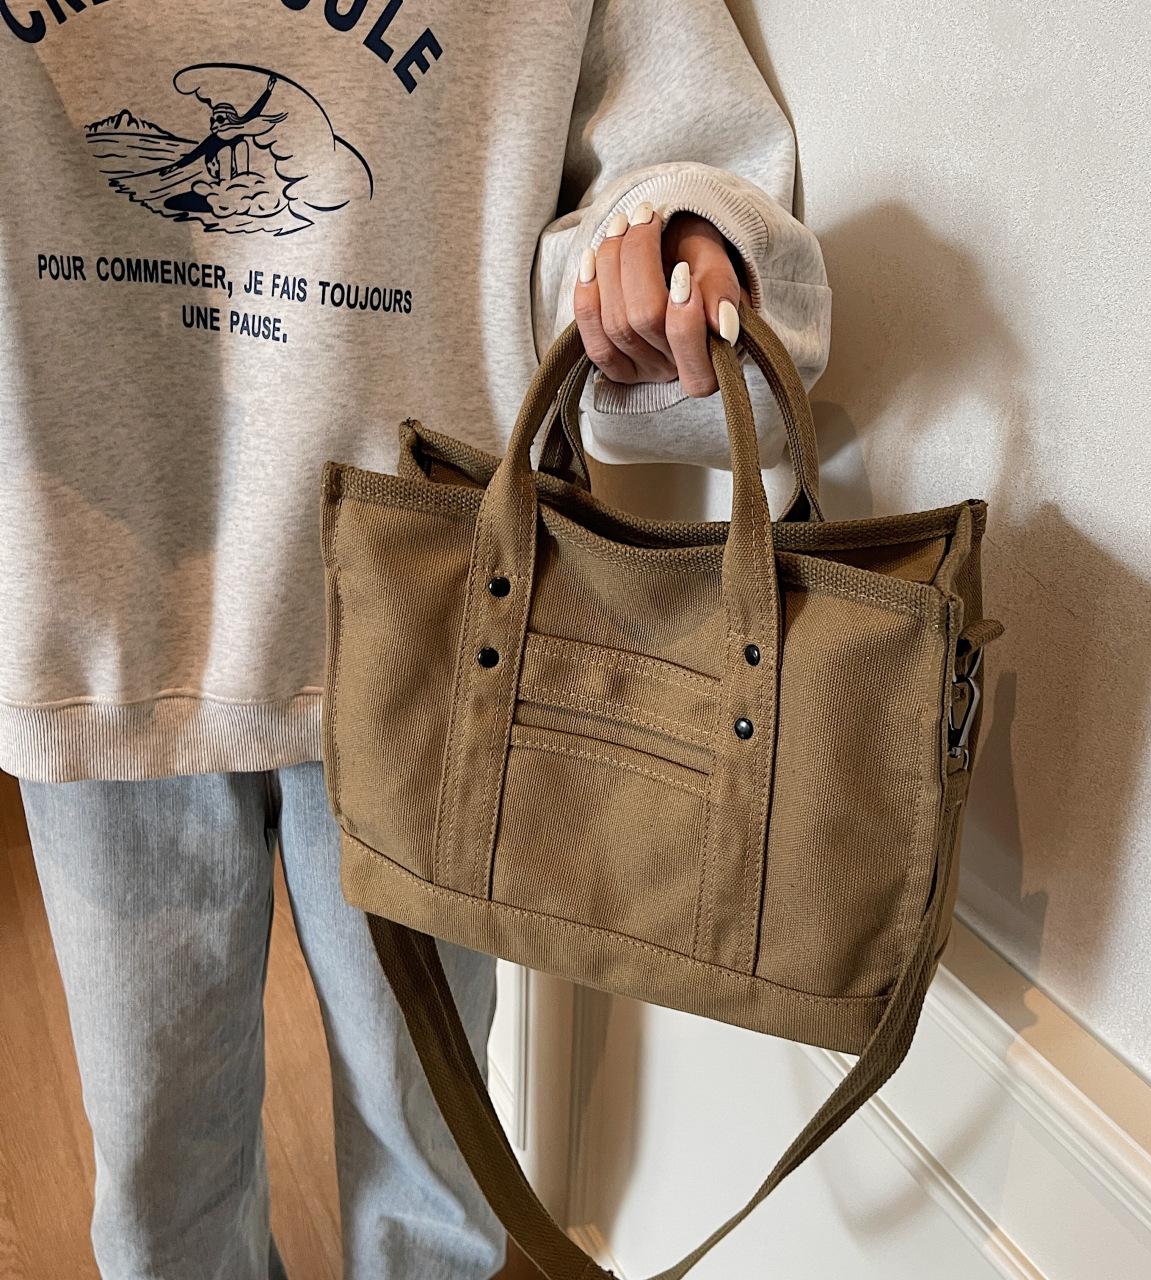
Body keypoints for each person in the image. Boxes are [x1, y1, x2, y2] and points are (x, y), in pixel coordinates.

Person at [0, 2, 831, 1276]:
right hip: (95, 602)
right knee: (162, 1169)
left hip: (433, 612)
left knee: (429, 1150)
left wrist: (669, 248)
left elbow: (685, 145)